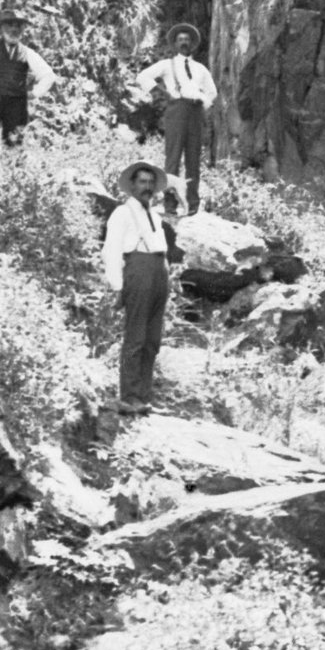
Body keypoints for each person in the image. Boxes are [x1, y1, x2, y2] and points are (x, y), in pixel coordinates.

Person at [102, 159, 172, 415]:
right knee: (136, 337)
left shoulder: (154, 214)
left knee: (152, 339)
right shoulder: (122, 213)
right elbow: (111, 250)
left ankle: (143, 396)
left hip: (159, 273)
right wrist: (117, 286)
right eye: (142, 182)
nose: (147, 187)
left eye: (151, 182)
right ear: (132, 186)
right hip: (138, 272)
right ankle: (129, 397)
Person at [127, 22, 217, 214]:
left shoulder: (200, 68)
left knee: (193, 159)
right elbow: (143, 77)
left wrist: (202, 102)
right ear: (175, 44)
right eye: (180, 40)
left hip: (195, 113)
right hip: (176, 110)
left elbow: (212, 92)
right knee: (173, 158)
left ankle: (193, 204)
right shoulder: (167, 65)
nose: (184, 43)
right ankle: (170, 204)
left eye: (187, 40)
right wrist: (163, 93)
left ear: (192, 44)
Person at [0, 13, 57, 148]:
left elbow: (49, 75)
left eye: (18, 26)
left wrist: (34, 93)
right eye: (9, 25)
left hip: (15, 107)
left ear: (22, 30)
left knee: (14, 144)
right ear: (2, 28)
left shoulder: (27, 53)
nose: (14, 30)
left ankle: (12, 161)